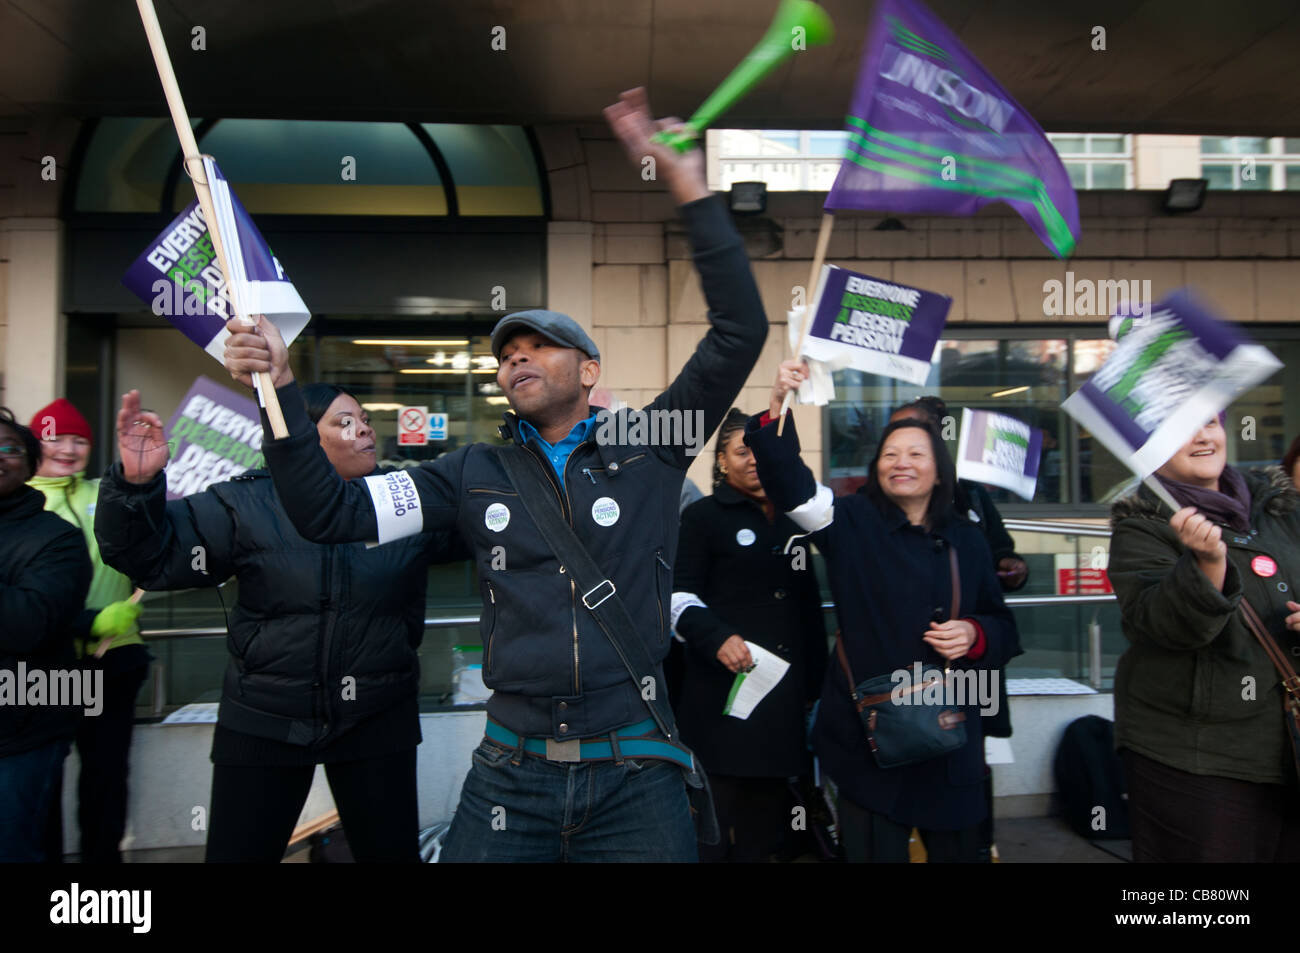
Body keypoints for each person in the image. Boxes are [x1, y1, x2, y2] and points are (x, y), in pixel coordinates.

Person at [221, 87, 768, 863]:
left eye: (538, 344)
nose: (515, 356)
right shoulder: (468, 472)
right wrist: (278, 389)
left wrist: (687, 185)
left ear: (590, 369)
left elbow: (741, 328)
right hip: (511, 775)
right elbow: (329, 514)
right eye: (507, 352)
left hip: (637, 768)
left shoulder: (654, 442)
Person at [96, 385, 467, 863]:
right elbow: (148, 558)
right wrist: (135, 485)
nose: (367, 430)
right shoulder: (243, 503)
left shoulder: (397, 498)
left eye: (366, 420)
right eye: (346, 422)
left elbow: (489, 533)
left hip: (378, 715)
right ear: (300, 439)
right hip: (264, 719)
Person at [742, 363, 1021, 863]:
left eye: (917, 453)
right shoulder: (849, 521)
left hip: (951, 737)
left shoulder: (968, 538)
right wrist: (779, 402)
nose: (901, 463)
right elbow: (793, 488)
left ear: (939, 468)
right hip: (870, 739)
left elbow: (1004, 630)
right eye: (890, 454)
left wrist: (975, 634)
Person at [1109, 415, 1300, 862]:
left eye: (1210, 422)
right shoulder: (1142, 523)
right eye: (1178, 429)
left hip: (1289, 745)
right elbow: (1164, 627)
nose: (1201, 436)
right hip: (1194, 754)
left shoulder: (1278, 503)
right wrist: (1207, 564)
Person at [671, 408, 827, 862]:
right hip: (721, 701)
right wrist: (716, 636)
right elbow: (676, 597)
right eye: (742, 451)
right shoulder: (701, 517)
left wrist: (815, 686)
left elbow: (810, 609)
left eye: (762, 451)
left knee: (768, 837)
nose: (754, 460)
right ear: (721, 460)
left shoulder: (799, 518)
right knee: (710, 835)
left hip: (784, 703)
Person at [891, 394, 1026, 860]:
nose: (903, 451)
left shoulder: (973, 498)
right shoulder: (870, 511)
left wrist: (1011, 567)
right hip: (904, 681)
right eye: (894, 439)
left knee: (969, 759)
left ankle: (979, 843)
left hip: (970, 672)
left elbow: (1002, 558)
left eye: (916, 437)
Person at [26, 398, 151, 863]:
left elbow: (146, 533)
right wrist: (85, 621)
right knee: (42, 776)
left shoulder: (107, 491)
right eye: (56, 437)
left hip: (114, 659)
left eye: (79, 439)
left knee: (105, 778)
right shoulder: (18, 504)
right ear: (33, 442)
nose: (69, 448)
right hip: (43, 663)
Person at [0, 408, 92, 862]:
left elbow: (27, 624)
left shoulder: (56, 538)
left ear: (30, 461)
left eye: (9, 448)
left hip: (22, 728)